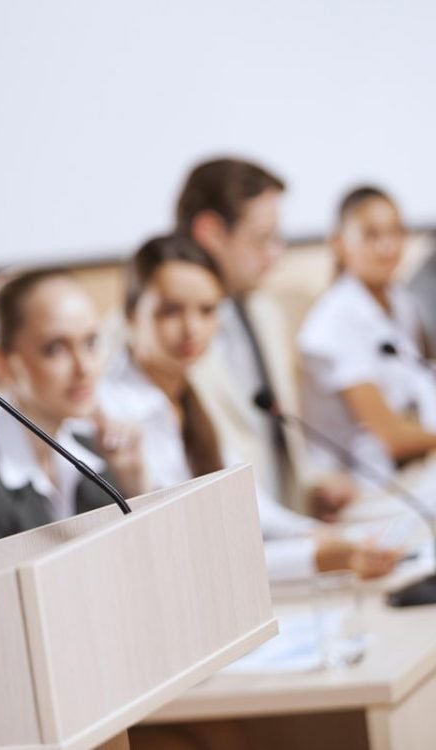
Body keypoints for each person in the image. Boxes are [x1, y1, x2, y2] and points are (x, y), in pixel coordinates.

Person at [98, 234, 401, 581]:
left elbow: (250, 508)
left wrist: (322, 537)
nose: (192, 328)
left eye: (207, 310)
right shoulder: (113, 412)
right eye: (170, 311)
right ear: (130, 314)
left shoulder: (191, 394)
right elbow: (192, 555)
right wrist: (317, 555)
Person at [178, 157, 358, 521]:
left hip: (284, 539)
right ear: (211, 232)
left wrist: (308, 491)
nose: (275, 254)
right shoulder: (157, 334)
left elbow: (269, 441)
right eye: (262, 239)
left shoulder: (265, 312)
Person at [0, 269, 145, 554]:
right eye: (55, 349)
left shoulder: (97, 452)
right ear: (2, 362)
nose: (84, 367)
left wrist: (134, 483)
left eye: (90, 343)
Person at [297, 186, 436, 483]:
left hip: (416, 466)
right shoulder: (331, 325)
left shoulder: (400, 300)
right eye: (371, 235)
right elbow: (391, 437)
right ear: (338, 242)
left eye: (396, 232)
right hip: (368, 485)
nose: (387, 247)